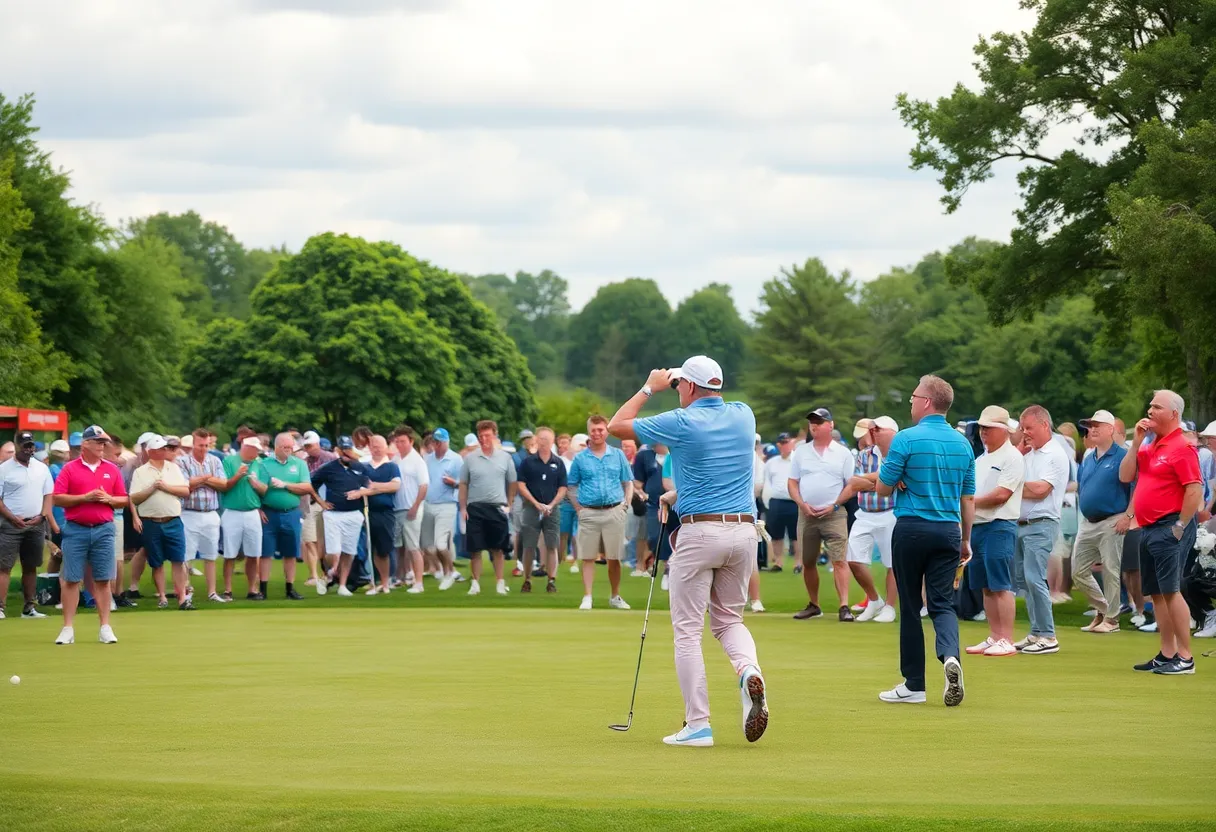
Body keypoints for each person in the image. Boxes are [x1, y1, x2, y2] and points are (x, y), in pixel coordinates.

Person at [608, 354, 768, 748]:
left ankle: (698, 725)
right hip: (744, 531)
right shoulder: (743, 414)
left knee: (688, 632)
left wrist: (650, 386)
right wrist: (676, 494)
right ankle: (748, 670)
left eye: (680, 383)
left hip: (699, 535)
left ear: (692, 387)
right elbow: (721, 471)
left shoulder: (681, 421)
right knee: (730, 621)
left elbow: (615, 427)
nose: (676, 388)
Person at [875, 375, 974, 707]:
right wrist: (966, 540)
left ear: (927, 401)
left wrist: (901, 475)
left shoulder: (906, 439)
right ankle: (949, 656)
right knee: (942, 604)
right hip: (949, 529)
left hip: (912, 528)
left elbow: (882, 488)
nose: (911, 401)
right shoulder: (964, 444)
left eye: (914, 396)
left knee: (910, 606)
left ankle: (915, 683)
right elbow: (968, 499)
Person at [1120, 390, 1203, 675]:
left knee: (1171, 591)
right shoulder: (1150, 444)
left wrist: (1179, 526)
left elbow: (1194, 489)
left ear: (1174, 414)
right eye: (1151, 406)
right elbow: (1125, 476)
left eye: (1157, 407)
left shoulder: (1181, 446)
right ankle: (1167, 653)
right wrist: (1134, 444)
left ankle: (1185, 657)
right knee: (1156, 593)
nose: (1150, 410)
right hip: (1149, 526)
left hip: (1170, 526)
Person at [52, 425, 127, 644]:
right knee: (71, 579)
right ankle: (68, 628)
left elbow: (123, 498)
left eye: (104, 443)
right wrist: (85, 497)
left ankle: (105, 627)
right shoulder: (69, 469)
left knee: (103, 579)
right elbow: (58, 498)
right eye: (98, 442)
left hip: (104, 529)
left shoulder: (111, 469)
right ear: (85, 444)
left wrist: (109, 500)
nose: (103, 446)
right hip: (76, 529)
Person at [964, 406, 1024, 657]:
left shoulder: (1012, 457)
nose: (983, 432)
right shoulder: (980, 459)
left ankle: (1007, 639)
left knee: (1000, 585)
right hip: (978, 526)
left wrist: (970, 503)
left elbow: (1001, 495)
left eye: (988, 427)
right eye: (981, 427)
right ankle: (995, 636)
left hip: (1000, 525)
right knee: (985, 586)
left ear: (1003, 430)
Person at [1013, 405, 1071, 655]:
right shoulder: (1028, 453)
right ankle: (1036, 631)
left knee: (1035, 577)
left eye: (1029, 428)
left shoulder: (1055, 454)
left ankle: (1048, 635)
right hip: (1023, 523)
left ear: (1045, 425)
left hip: (1042, 523)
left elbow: (1040, 490)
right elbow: (1007, 476)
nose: (1025, 433)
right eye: (1022, 428)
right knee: (1026, 579)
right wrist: (1017, 452)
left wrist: (1013, 486)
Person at [788, 407, 854, 621]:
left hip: (834, 514)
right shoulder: (801, 452)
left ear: (831, 425)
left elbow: (850, 485)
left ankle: (844, 606)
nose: (814, 425)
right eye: (812, 422)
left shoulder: (843, 453)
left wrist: (834, 505)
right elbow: (792, 482)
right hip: (806, 514)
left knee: (839, 560)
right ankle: (814, 604)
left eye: (819, 421)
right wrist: (801, 503)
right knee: (808, 561)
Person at [1073, 410, 1132, 634]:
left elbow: (1135, 487)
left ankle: (1112, 621)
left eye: (1098, 425)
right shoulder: (1088, 458)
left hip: (1113, 519)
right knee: (1078, 571)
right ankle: (1105, 609)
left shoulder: (1123, 455)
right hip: (1089, 521)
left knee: (1110, 569)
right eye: (1090, 425)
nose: (1093, 429)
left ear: (1111, 429)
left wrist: (1128, 516)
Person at [567, 415, 634, 611]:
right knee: (588, 556)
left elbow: (627, 481)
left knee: (614, 557)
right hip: (589, 511)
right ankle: (587, 597)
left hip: (614, 510)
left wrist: (626, 504)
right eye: (593, 430)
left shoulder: (618, 455)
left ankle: (615, 596)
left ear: (606, 431)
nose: (597, 433)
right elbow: (571, 486)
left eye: (600, 430)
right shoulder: (580, 458)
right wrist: (579, 508)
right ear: (589, 432)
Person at [844, 416, 901, 624]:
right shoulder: (864, 454)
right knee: (853, 559)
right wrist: (882, 480)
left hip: (891, 512)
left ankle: (890, 607)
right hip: (865, 512)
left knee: (892, 563)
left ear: (892, 432)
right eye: (873, 429)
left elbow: (894, 480)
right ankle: (874, 600)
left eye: (878, 429)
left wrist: (874, 479)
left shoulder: (899, 454)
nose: (873, 432)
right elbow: (853, 482)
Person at [129, 435, 193, 611]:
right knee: (156, 562)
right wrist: (152, 488)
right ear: (151, 451)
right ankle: (163, 597)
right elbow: (134, 497)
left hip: (172, 520)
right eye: (162, 448)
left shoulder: (173, 468)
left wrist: (165, 487)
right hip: (151, 522)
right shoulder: (140, 472)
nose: (166, 451)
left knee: (178, 560)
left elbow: (185, 490)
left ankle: (182, 598)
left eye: (166, 448)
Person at [458, 420, 518, 596]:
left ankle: (500, 582)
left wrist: (509, 503)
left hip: (497, 506)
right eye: (481, 436)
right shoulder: (470, 458)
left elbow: (512, 482)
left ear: (495, 435)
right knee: (475, 549)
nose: (484, 439)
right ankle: (475, 583)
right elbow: (463, 484)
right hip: (475, 507)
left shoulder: (505, 457)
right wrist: (463, 508)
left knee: (497, 548)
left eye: (488, 435)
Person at [0, 432, 55, 620]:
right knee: (4, 566)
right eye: (24, 445)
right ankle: (0, 608)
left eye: (30, 445)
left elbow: (48, 495)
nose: (28, 449)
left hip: (36, 523)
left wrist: (42, 515)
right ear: (16, 446)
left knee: (31, 565)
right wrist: (12, 517)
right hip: (9, 524)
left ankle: (29, 608)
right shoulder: (4, 469)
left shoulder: (41, 468)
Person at [311, 436, 373, 596]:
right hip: (333, 514)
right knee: (334, 552)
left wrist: (360, 492)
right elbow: (311, 484)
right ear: (337, 450)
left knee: (349, 552)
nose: (346, 453)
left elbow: (370, 486)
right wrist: (321, 501)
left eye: (348, 449)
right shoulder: (328, 468)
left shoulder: (359, 467)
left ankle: (342, 585)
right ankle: (330, 572)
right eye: (343, 450)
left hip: (354, 514)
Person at [261, 432, 318, 600]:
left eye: (290, 447)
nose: (288, 450)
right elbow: (259, 489)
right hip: (269, 512)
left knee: (291, 553)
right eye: (284, 447)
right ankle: (263, 589)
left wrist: (285, 485)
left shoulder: (299, 464)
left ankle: (290, 588)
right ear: (276, 447)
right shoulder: (265, 464)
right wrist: (258, 508)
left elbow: (306, 487)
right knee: (265, 553)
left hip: (292, 512)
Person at [177, 428, 228, 603]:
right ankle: (186, 591)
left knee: (211, 555)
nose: (204, 448)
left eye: (207, 445)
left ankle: (212, 592)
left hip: (211, 513)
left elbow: (223, 484)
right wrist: (207, 478)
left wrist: (200, 479)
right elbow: (184, 484)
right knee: (186, 556)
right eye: (200, 445)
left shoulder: (215, 460)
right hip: (189, 513)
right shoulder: (182, 461)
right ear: (193, 444)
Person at [516, 426, 568, 593]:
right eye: (541, 439)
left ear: (552, 442)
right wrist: (535, 503)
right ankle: (527, 579)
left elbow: (562, 488)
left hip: (552, 509)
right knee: (529, 545)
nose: (544, 442)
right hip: (531, 508)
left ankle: (551, 579)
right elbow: (521, 485)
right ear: (536, 440)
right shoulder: (528, 462)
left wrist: (551, 504)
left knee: (552, 544)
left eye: (547, 439)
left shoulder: (558, 463)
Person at [221, 437, 269, 599]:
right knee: (230, 553)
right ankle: (227, 590)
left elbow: (264, 489)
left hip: (252, 512)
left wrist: (257, 485)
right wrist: (237, 476)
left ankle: (252, 589)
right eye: (254, 449)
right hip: (232, 511)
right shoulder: (229, 461)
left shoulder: (260, 463)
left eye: (257, 450)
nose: (256, 452)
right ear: (245, 447)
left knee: (253, 553)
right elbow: (224, 486)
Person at [359, 435, 402, 595]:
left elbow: (395, 486)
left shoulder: (391, 467)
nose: (376, 448)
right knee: (373, 548)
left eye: (379, 445)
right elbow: (362, 487)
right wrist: (373, 489)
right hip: (368, 512)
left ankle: (385, 583)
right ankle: (376, 582)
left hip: (385, 512)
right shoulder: (365, 467)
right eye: (373, 445)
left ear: (385, 447)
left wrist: (375, 486)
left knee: (385, 548)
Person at [391, 426, 429, 594]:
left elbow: (424, 486)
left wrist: (415, 506)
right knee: (399, 547)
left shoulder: (417, 460)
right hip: (397, 508)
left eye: (403, 441)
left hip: (412, 508)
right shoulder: (396, 459)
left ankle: (419, 583)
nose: (399, 444)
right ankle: (400, 577)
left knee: (413, 546)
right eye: (397, 441)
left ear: (411, 441)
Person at [423, 428, 462, 590]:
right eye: (435, 441)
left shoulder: (456, 459)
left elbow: (464, 484)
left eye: (440, 442)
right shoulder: (427, 459)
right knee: (429, 547)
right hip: (428, 504)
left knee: (440, 544)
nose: (437, 445)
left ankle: (450, 572)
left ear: (447, 442)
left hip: (447, 505)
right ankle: (442, 570)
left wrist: (453, 482)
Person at [301, 431, 335, 587]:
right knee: (309, 540)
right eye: (306, 446)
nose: (308, 449)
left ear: (318, 444)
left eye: (310, 445)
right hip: (310, 505)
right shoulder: (303, 461)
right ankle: (313, 575)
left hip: (327, 505)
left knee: (325, 543)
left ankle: (329, 573)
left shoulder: (330, 458)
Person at [761, 433, 798, 573]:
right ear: (778, 445)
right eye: (782, 443)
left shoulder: (796, 461)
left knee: (795, 535)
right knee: (777, 534)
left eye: (787, 442)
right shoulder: (772, 462)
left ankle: (798, 563)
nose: (785, 445)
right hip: (776, 501)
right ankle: (778, 562)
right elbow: (768, 482)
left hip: (793, 501)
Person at [631, 440, 668, 577]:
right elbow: (637, 482)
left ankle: (668, 568)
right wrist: (641, 494)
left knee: (673, 536)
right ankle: (647, 564)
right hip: (652, 503)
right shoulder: (644, 456)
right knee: (653, 535)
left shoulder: (677, 454)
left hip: (676, 503)